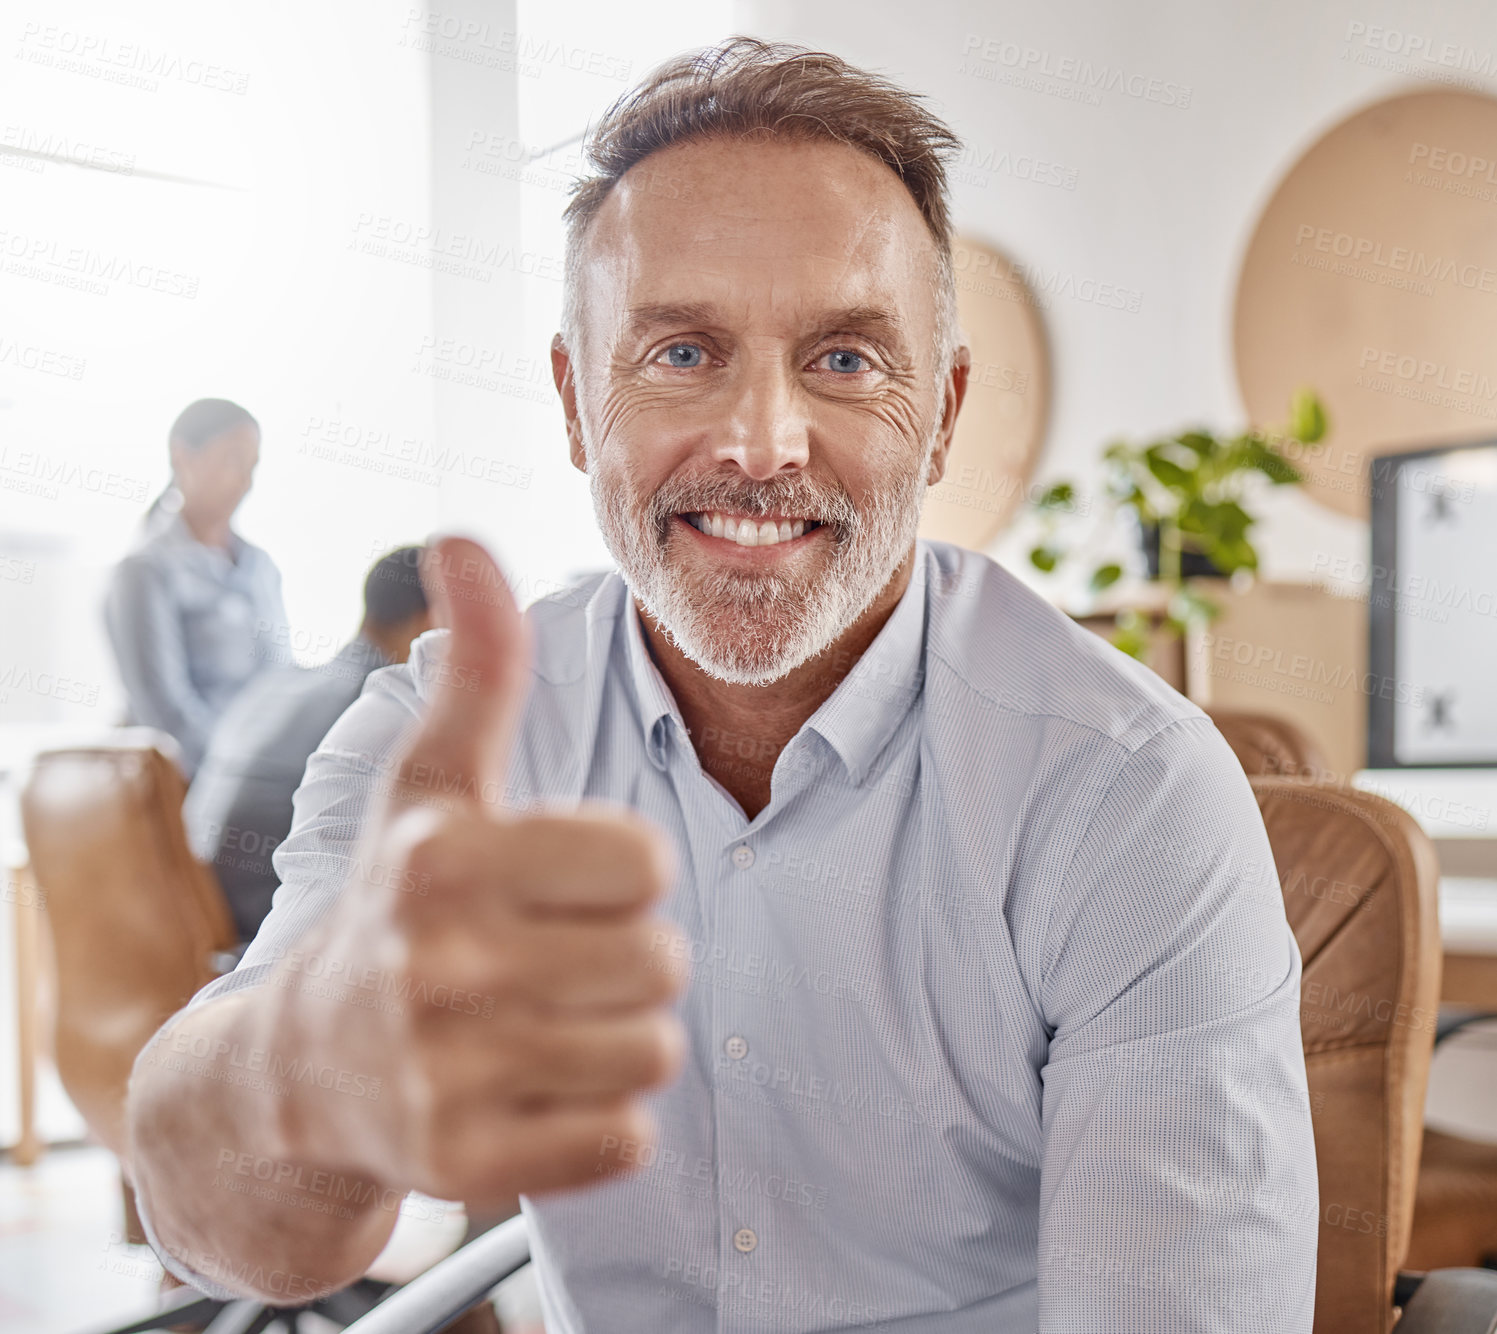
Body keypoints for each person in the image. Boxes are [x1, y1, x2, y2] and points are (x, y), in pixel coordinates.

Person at [126, 38, 1318, 1331]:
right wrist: (307, 1062)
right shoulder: (444, 741)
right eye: (683, 353)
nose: (760, 442)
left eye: (847, 359)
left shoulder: (1124, 789)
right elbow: (225, 1231)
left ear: (945, 412)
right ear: (578, 400)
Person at [182, 547, 434, 944]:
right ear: (432, 624)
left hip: (197, 906)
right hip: (264, 924)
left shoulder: (282, 682)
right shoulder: (378, 707)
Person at [104, 398, 288, 778]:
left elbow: (279, 681)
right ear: (181, 456)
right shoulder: (146, 571)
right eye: (232, 460)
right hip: (191, 781)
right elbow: (165, 712)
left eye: (252, 466)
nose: (244, 480)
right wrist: (239, 775)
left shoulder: (261, 567)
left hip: (267, 772)